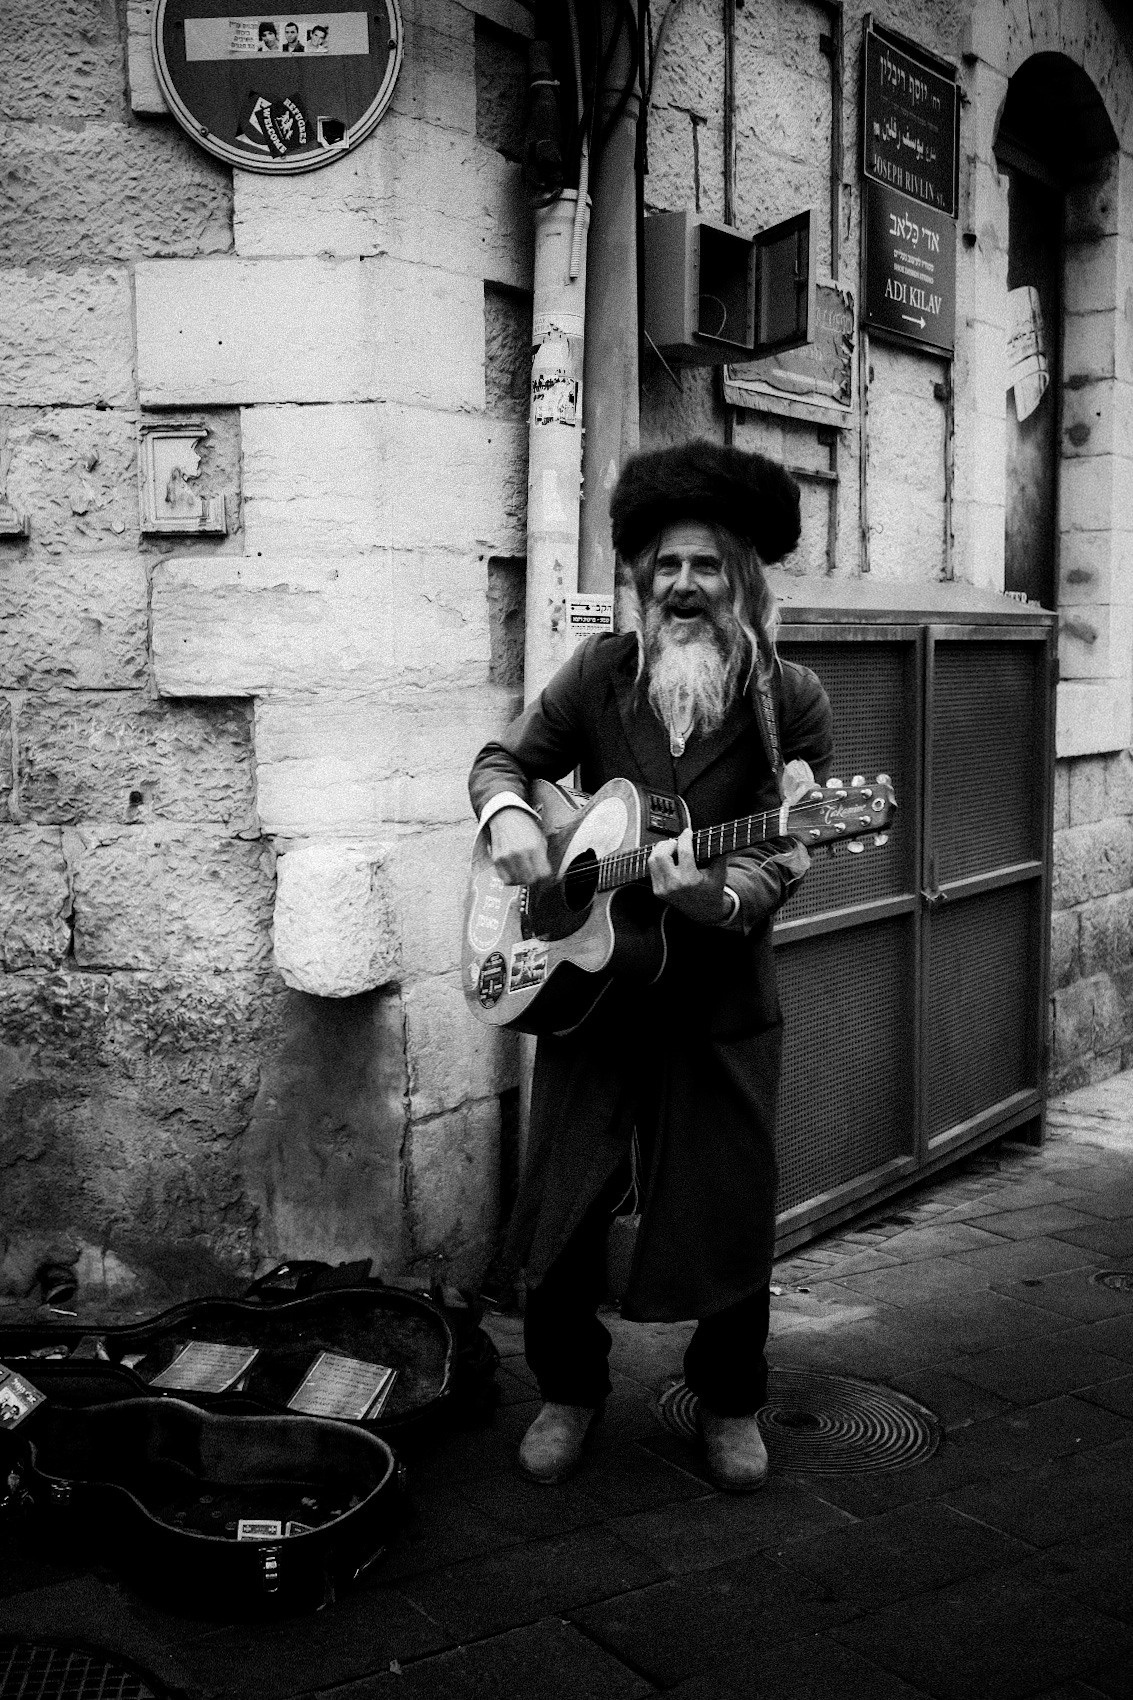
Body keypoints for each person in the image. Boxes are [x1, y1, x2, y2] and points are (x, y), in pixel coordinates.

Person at [468, 440, 834, 1492]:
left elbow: (788, 849)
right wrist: (508, 817)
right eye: (664, 564)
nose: (681, 584)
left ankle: (727, 1401)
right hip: (590, 990)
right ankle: (567, 1390)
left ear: (741, 580)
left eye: (705, 565)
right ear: (639, 576)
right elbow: (507, 759)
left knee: (726, 1206)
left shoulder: (791, 698)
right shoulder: (600, 674)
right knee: (562, 1208)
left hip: (717, 993)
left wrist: (708, 895)